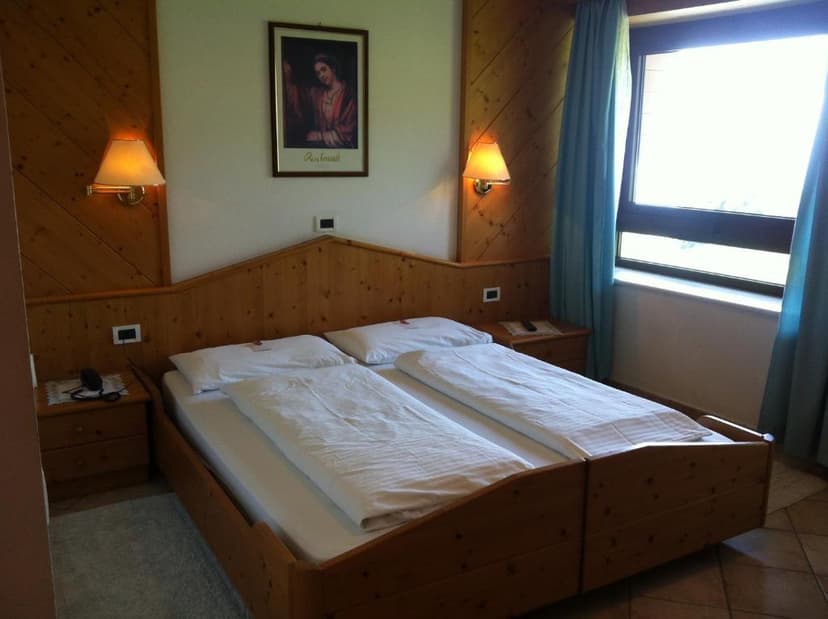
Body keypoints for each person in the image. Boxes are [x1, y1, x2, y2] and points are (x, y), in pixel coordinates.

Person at [305, 53, 357, 148]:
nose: (321, 75)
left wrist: (320, 136)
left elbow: (349, 129)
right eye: (318, 73)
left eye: (324, 69)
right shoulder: (318, 94)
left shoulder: (348, 94)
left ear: (333, 69)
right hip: (321, 149)